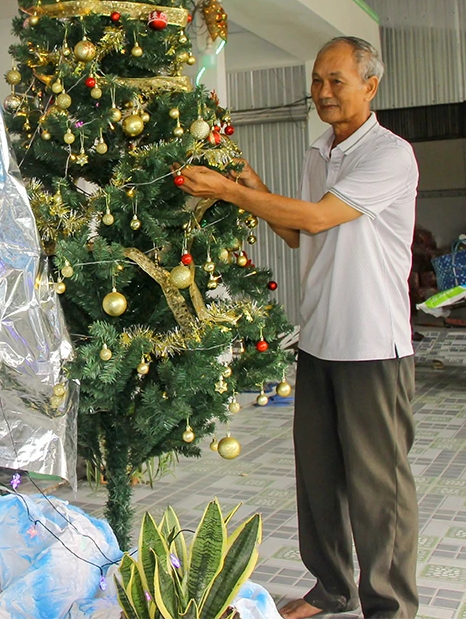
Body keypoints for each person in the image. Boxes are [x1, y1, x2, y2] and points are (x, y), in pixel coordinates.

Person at [175, 36, 419, 619]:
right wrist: (248, 181)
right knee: (318, 475)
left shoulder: (390, 154)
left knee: (378, 489)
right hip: (320, 339)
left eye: (337, 81)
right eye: (316, 80)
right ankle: (333, 588)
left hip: (372, 345)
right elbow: (298, 234)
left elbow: (315, 217)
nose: (323, 92)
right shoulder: (318, 153)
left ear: (370, 86)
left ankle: (390, 607)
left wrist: (228, 190)